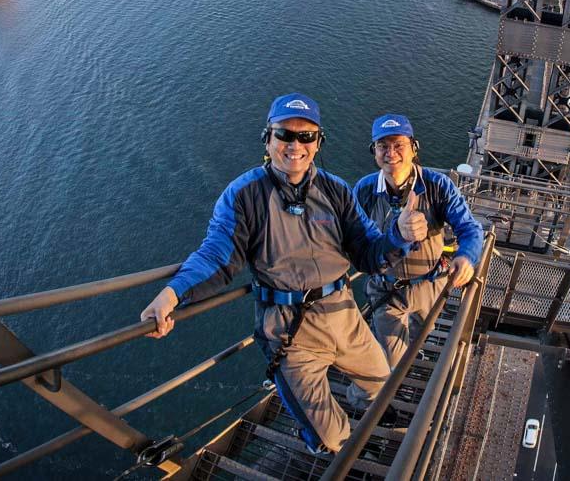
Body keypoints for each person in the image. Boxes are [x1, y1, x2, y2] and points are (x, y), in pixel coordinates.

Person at [140, 93, 428, 455]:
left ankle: (379, 433)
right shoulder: (244, 195)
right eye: (285, 135)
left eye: (306, 136)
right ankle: (347, 456)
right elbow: (217, 255)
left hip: (345, 316)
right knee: (329, 439)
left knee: (382, 385)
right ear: (268, 139)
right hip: (291, 335)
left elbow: (369, 253)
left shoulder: (336, 190)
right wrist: (172, 294)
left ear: (318, 142)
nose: (296, 145)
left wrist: (398, 236)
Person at [354, 114, 484, 372]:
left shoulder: (438, 186)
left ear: (414, 148)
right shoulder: (364, 190)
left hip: (429, 283)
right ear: (374, 152)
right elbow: (353, 237)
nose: (391, 153)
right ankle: (364, 401)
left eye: (398, 145)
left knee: (423, 332)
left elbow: (469, 228)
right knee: (389, 361)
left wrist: (466, 256)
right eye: (383, 146)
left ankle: (412, 353)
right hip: (385, 288)